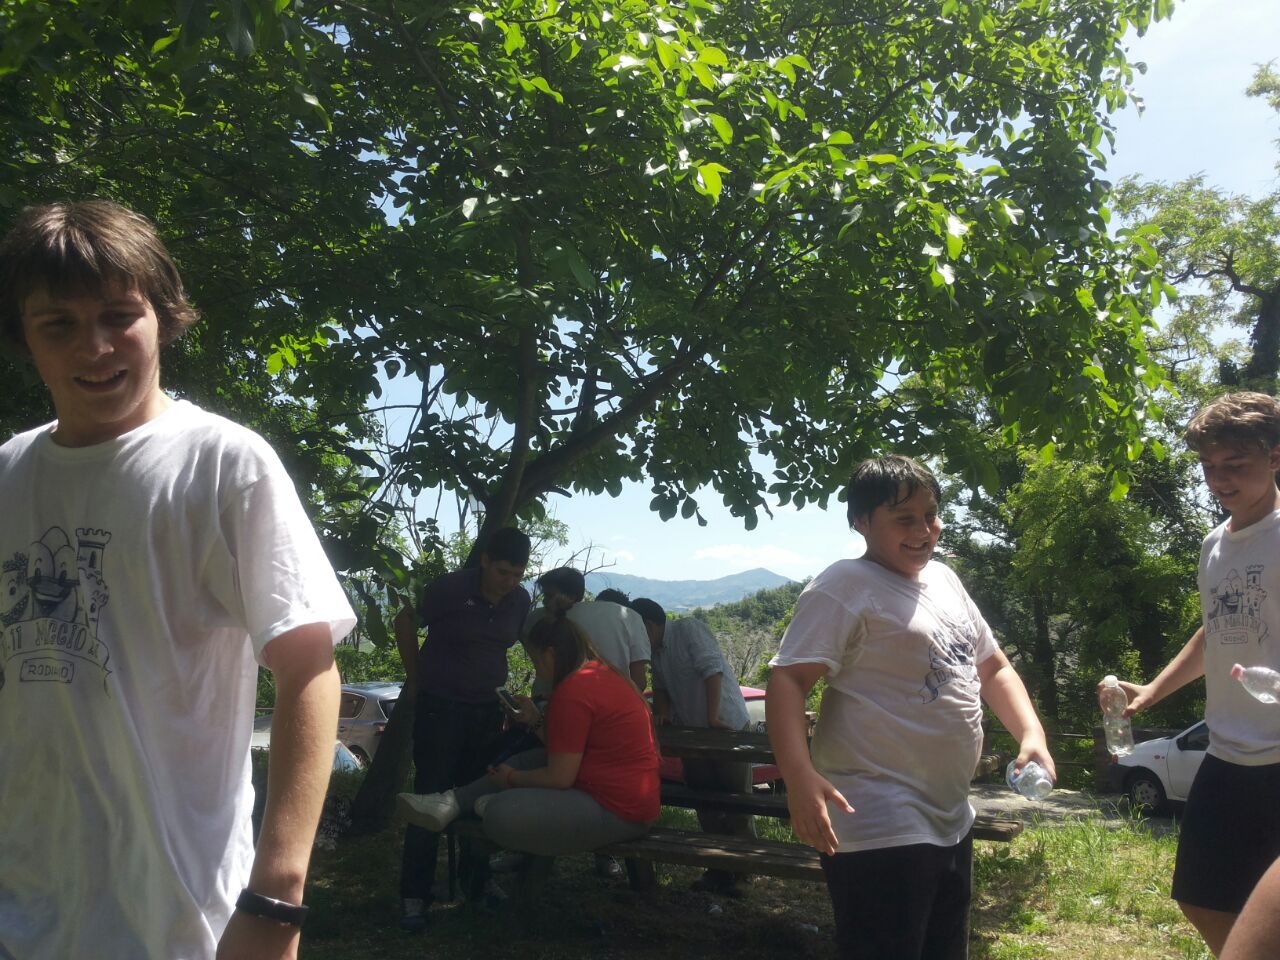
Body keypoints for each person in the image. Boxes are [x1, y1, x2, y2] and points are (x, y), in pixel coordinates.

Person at [0, 200, 355, 960]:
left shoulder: (222, 465)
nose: (95, 346)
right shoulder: (7, 474)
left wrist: (277, 898)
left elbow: (309, 668)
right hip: (23, 906)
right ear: (24, 336)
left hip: (177, 917)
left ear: (163, 315)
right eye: (58, 324)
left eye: (119, 315)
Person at [766, 454, 1053, 960]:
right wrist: (799, 777)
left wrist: (1032, 734)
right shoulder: (844, 584)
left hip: (950, 815)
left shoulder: (943, 579)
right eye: (904, 518)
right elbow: (788, 680)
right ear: (861, 521)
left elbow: (993, 667)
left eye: (931, 514)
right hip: (878, 817)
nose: (924, 530)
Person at [1103, 392, 1280, 956]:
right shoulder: (1213, 546)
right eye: (1209, 466)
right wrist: (1152, 691)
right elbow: (1214, 631)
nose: (1219, 480)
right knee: (1201, 898)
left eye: (1236, 465)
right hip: (1226, 755)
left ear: (1275, 457)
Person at [397, 614, 659, 858]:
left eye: (536, 660)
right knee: (531, 758)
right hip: (615, 794)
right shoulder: (600, 674)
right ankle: (450, 803)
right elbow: (563, 749)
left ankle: (491, 802)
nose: (537, 669)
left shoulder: (573, 692)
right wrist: (534, 720)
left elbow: (560, 777)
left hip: (618, 810)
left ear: (550, 654)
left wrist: (512, 779)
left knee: (500, 814)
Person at [394, 526, 531, 930]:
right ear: (485, 560)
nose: (509, 581)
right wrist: (414, 677)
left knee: (478, 797)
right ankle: (414, 895)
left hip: (487, 712)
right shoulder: (449, 589)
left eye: (518, 574)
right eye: (503, 571)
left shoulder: (520, 600)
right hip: (440, 709)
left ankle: (477, 883)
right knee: (430, 797)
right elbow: (405, 619)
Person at [631, 596, 754, 897]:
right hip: (693, 732)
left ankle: (744, 873)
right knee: (705, 803)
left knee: (737, 803)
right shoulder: (656, 651)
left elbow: (712, 670)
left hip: (726, 726)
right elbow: (661, 688)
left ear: (649, 624)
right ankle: (717, 868)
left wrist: (713, 717)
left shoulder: (688, 629)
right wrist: (662, 713)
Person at [527, 567, 651, 690]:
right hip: (614, 696)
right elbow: (639, 681)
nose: (545, 602)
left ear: (571, 596)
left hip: (552, 697)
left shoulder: (539, 619)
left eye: (549, 596)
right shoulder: (630, 617)